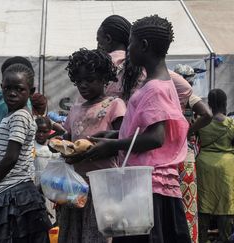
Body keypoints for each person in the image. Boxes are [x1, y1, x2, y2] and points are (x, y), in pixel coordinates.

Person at [84, 15, 191, 243]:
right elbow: (146, 129)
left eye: (131, 42)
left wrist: (114, 145)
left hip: (148, 187)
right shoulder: (163, 83)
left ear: (142, 46)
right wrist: (115, 134)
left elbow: (155, 138)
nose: (127, 47)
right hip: (152, 186)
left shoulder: (154, 89)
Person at [0, 64, 52, 243]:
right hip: (12, 191)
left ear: (30, 91)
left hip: (13, 192)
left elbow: (11, 157)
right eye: (8, 88)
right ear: (1, 87)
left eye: (19, 89)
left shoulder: (19, 116)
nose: (12, 93)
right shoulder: (13, 115)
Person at [58, 48, 126, 243]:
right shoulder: (75, 109)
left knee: (98, 236)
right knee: (74, 235)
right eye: (79, 81)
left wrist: (92, 150)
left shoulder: (114, 105)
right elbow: (67, 140)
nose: (83, 85)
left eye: (90, 80)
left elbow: (122, 139)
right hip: (76, 189)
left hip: (103, 188)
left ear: (105, 79)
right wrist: (64, 148)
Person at [96, 15, 192, 105]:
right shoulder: (147, 66)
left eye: (98, 41)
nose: (97, 46)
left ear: (108, 39)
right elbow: (185, 88)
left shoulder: (99, 65)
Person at [174, 63, 213, 243]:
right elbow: (207, 114)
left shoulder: (162, 93)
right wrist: (189, 130)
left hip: (162, 155)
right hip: (185, 155)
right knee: (188, 206)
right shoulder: (189, 96)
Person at [196, 89, 234, 243]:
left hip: (204, 165)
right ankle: (225, 239)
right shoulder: (233, 124)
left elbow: (195, 140)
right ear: (225, 102)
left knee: (203, 203)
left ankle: (201, 239)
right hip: (226, 167)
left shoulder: (201, 122)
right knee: (226, 204)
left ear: (209, 103)